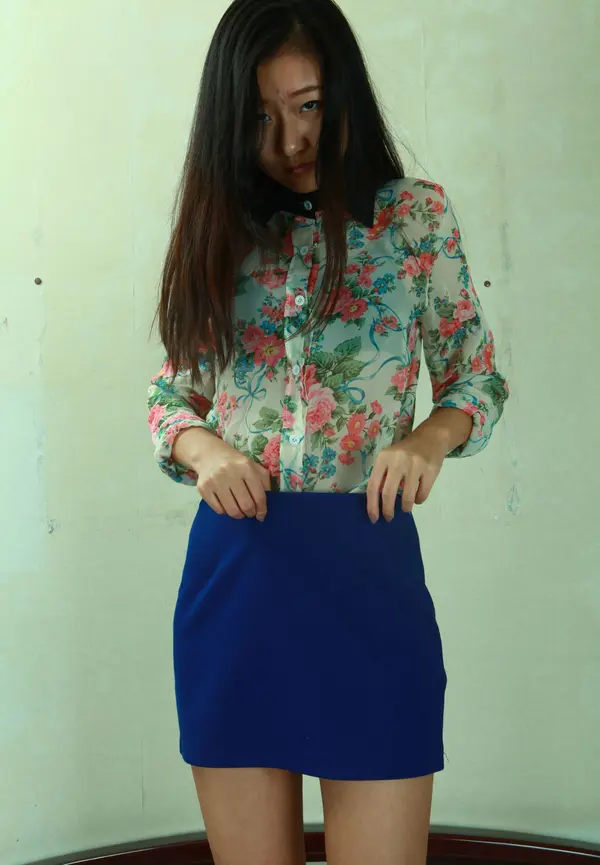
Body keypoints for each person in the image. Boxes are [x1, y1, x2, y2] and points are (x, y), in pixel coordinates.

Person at [147, 0, 509, 862]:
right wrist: (205, 449)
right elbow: (170, 396)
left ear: (342, 91)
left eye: (308, 105)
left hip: (367, 573)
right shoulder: (220, 229)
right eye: (260, 117)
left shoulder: (415, 220)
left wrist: (427, 439)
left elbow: (477, 378)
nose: (291, 140)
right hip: (239, 579)